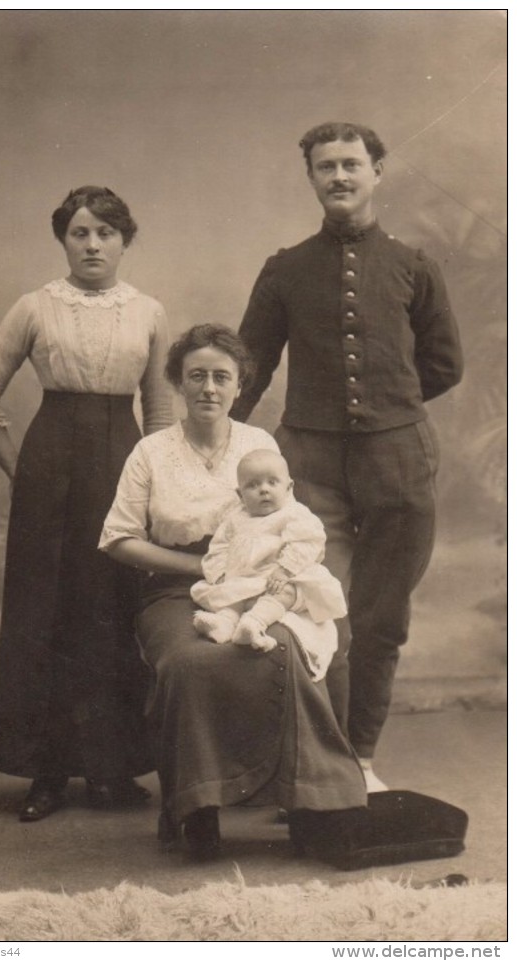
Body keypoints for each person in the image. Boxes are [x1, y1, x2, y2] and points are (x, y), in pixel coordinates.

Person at [231, 122, 464, 793]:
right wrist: (221, 447)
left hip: (400, 466)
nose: (338, 176)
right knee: (310, 611)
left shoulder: (415, 266)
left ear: (378, 171)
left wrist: (389, 409)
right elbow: (250, 367)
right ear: (311, 178)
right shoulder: (285, 269)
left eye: (351, 164)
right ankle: (316, 761)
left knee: (382, 618)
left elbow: (444, 364)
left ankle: (359, 756)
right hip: (308, 468)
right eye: (325, 166)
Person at [100, 324, 367, 860]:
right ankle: (198, 808)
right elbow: (117, 540)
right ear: (177, 383)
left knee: (291, 650)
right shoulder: (150, 452)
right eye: (196, 376)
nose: (208, 388)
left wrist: (277, 579)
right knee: (188, 660)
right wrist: (198, 564)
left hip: (262, 582)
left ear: (239, 385)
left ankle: (307, 800)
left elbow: (291, 519)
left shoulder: (258, 444)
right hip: (176, 590)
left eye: (221, 377)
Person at [0, 185, 173, 821]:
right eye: (80, 233)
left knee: (112, 612)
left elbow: (160, 411)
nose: (92, 245)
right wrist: (22, 471)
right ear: (63, 239)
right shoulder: (34, 308)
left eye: (105, 233)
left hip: (122, 467)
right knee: (46, 614)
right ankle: (46, 774)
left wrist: (159, 487)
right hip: (49, 470)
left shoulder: (149, 312)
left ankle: (111, 772)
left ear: (123, 241)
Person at [191, 448, 347, 678]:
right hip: (244, 579)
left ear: (289, 487)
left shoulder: (294, 514)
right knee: (229, 594)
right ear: (239, 494)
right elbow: (218, 549)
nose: (263, 489)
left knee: (287, 592)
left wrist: (284, 570)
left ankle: (254, 623)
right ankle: (224, 623)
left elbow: (306, 542)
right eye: (252, 485)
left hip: (282, 576)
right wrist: (220, 575)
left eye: (272, 482)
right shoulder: (235, 519)